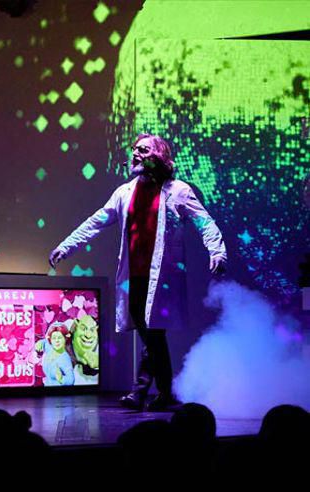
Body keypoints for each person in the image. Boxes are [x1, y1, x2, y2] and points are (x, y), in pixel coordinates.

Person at [49, 134, 226, 411]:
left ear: (158, 156)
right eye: (134, 149)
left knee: (153, 334)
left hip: (161, 279)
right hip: (133, 278)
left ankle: (146, 392)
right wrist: (66, 246)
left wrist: (217, 251)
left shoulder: (178, 191)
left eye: (142, 150)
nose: (135, 154)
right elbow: (95, 222)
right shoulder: (124, 192)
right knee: (150, 335)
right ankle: (156, 393)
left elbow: (204, 221)